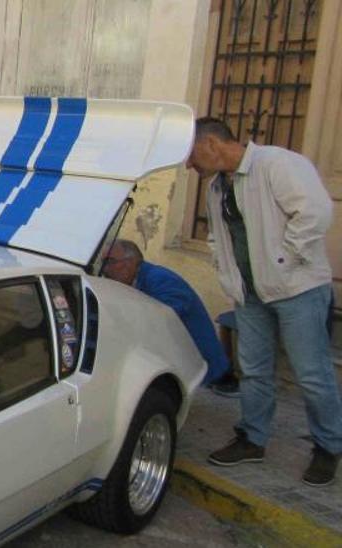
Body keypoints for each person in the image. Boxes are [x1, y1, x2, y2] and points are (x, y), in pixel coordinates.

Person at [187, 117, 342, 487]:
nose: (188, 165)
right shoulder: (216, 188)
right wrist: (226, 272)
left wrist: (283, 261)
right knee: (254, 371)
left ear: (210, 143)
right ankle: (252, 439)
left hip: (298, 290)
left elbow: (315, 213)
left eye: (190, 155)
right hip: (250, 295)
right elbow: (217, 237)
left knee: (312, 374)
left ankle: (328, 446)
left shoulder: (276, 164)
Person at [103, 239, 230, 385]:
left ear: (131, 262)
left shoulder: (160, 280)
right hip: (175, 359)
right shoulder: (136, 280)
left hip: (201, 366)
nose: (105, 269)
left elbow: (162, 320)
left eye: (110, 261)